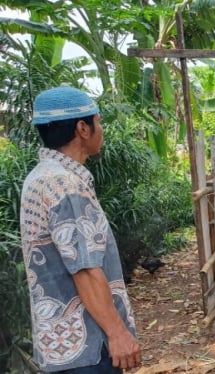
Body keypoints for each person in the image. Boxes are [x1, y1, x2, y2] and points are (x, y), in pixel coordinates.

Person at [20, 86, 142, 373]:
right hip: (88, 345)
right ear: (82, 129)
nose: (102, 129)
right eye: (98, 122)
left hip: (63, 346)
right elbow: (84, 268)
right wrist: (118, 333)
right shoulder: (64, 184)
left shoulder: (40, 177)